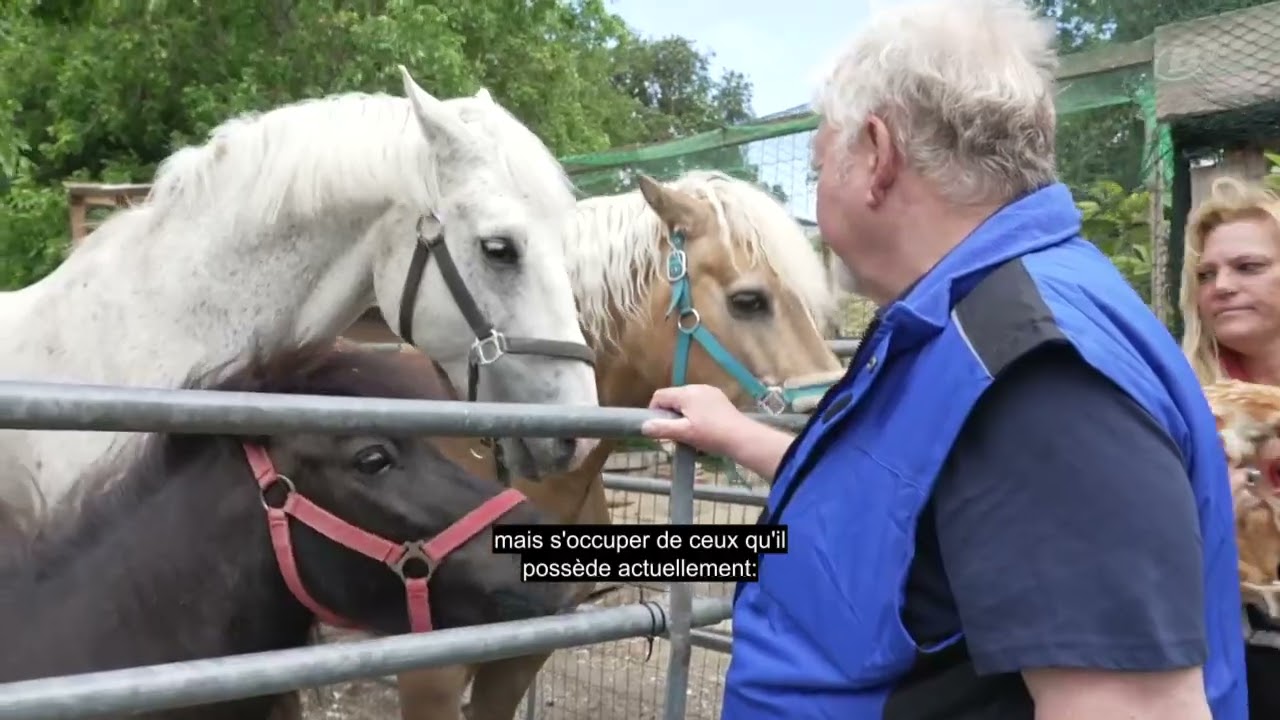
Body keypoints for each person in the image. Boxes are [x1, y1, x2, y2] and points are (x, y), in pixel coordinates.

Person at [639, 0, 1247, 718]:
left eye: (818, 164)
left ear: (876, 155)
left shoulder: (1038, 378)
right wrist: (737, 433)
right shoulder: (958, 326)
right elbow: (906, 506)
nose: (817, 189)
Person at [1180, 175, 1280, 720]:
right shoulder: (1180, 405)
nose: (1221, 286)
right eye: (1206, 274)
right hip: (1226, 664)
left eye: (1248, 267)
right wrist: (1202, 516)